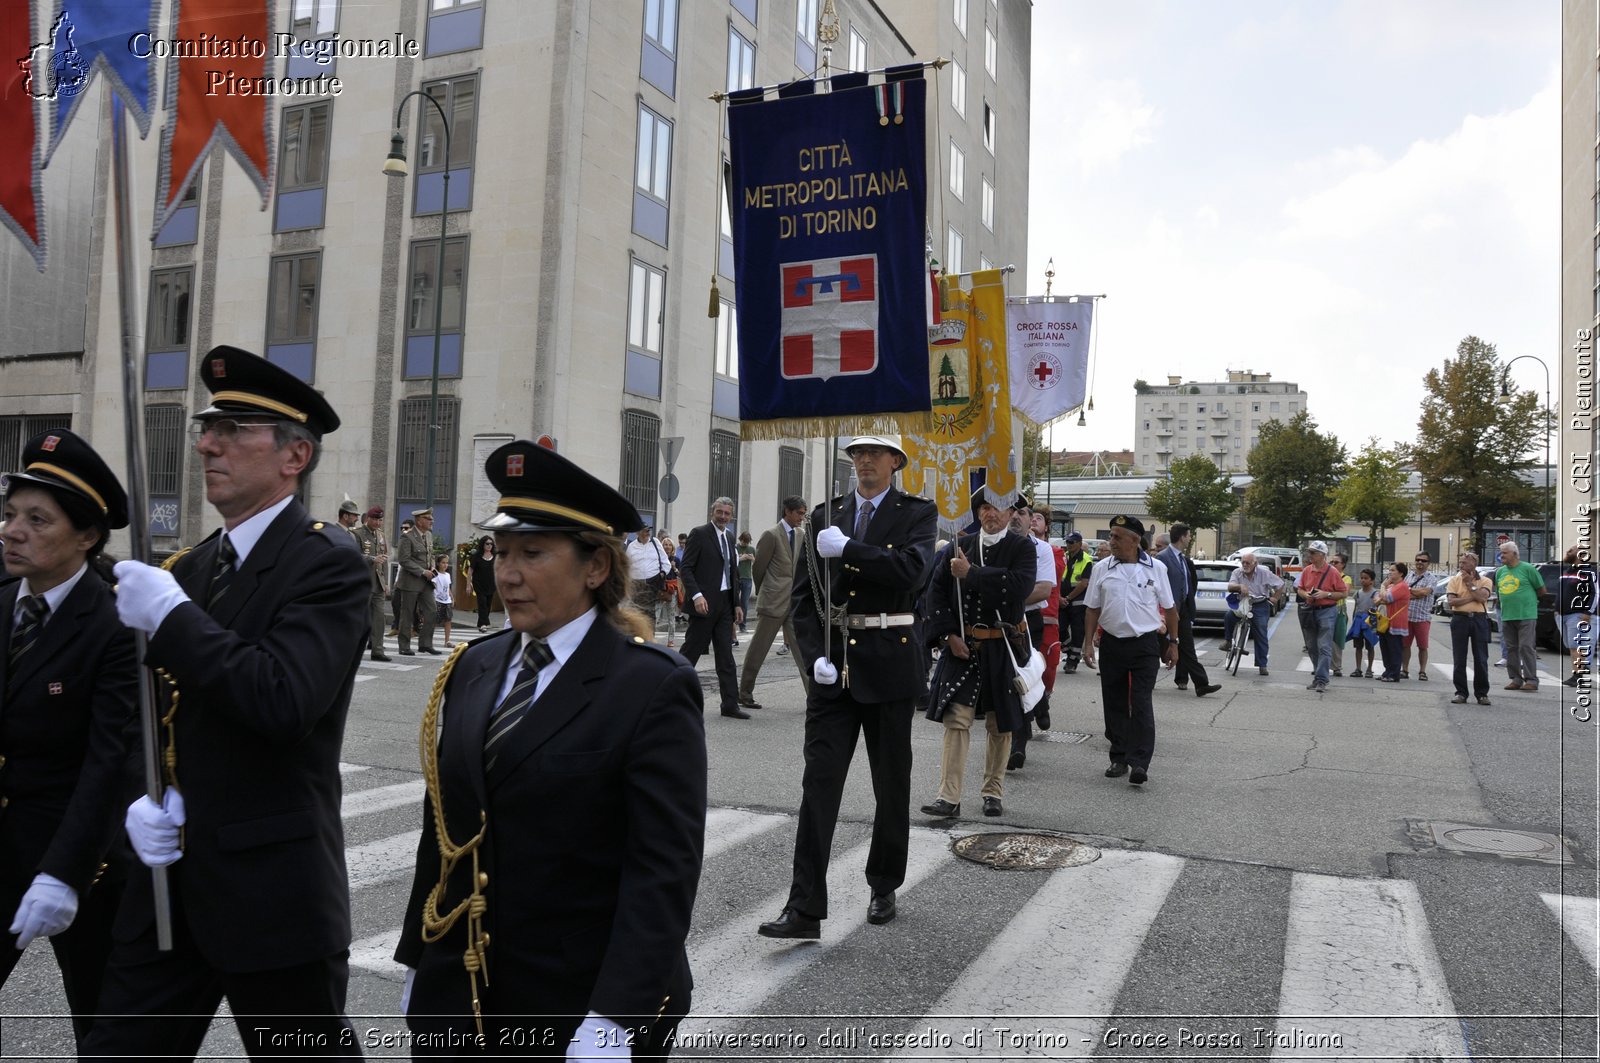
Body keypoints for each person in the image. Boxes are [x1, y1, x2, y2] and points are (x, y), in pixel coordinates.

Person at [89, 344, 369, 1058]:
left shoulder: (326, 562)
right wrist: (139, 800)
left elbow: (282, 698)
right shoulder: (189, 566)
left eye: (233, 427)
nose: (208, 442)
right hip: (166, 888)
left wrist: (175, 619)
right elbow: (140, 718)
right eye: (206, 426)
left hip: (271, 892)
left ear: (293, 456)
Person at [396, 440, 706, 1059]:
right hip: (462, 988)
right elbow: (447, 831)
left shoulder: (649, 685)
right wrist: (417, 956)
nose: (507, 573)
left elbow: (662, 867)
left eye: (532, 553)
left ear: (595, 568)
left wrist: (617, 1015)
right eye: (501, 551)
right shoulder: (474, 667)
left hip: (574, 996)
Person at [757, 435, 935, 939]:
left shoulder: (916, 513)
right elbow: (803, 597)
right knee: (818, 788)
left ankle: (883, 882)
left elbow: (912, 572)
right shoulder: (823, 514)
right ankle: (805, 907)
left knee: (890, 784)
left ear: (895, 462)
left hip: (889, 662)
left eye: (874, 454)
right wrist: (813, 656)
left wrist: (851, 549)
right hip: (834, 670)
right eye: (857, 454)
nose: (863, 462)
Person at [0, 429, 137, 1048]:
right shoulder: (4, 598)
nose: (12, 530)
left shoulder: (116, 623)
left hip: (85, 858)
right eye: (8, 515)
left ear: (86, 536)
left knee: (104, 1023)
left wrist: (64, 872)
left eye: (36, 519)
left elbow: (110, 761)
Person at [920, 490, 1035, 818]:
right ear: (978, 512)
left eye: (998, 507)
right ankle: (949, 797)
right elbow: (936, 593)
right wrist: (947, 634)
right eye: (985, 507)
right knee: (956, 719)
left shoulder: (1021, 548)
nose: (991, 513)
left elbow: (1019, 586)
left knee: (1001, 725)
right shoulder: (960, 546)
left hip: (1002, 646)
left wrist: (970, 574)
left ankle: (992, 792)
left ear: (1011, 511)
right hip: (963, 647)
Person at [1082, 515, 1178, 786]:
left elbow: (1171, 609)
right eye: (1110, 536)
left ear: (1135, 541)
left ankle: (1140, 762)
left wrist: (1173, 643)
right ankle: (1119, 756)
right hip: (1112, 642)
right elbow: (1092, 609)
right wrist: (1087, 642)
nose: (1110, 541)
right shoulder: (1102, 567)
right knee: (1114, 702)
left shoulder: (1155, 568)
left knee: (1141, 702)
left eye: (1116, 536)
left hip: (1144, 644)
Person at [737, 496, 811, 710]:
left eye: (803, 513)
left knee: (803, 651)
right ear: (787, 511)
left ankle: (814, 698)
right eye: (799, 513)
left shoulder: (800, 534)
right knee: (758, 650)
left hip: (793, 602)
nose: (802, 518)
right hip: (772, 602)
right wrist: (764, 592)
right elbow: (758, 568)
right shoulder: (771, 535)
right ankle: (745, 693)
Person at [679, 497, 747, 719]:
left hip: (725, 604)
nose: (723, 517)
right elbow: (686, 568)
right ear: (712, 512)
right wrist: (696, 595)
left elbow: (732, 573)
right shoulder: (699, 534)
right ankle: (669, 697)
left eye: (727, 513)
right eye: (720, 512)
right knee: (691, 652)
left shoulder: (729, 537)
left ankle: (730, 704)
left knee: (726, 656)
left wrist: (736, 603)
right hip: (704, 604)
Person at [1004, 502, 1057, 771]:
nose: (1015, 517)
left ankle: (1022, 734)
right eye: (1011, 512)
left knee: (1025, 677)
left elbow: (1044, 590)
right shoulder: (996, 545)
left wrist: (1005, 597)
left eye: (1021, 513)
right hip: (1001, 622)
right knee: (1010, 682)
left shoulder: (1042, 549)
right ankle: (1019, 737)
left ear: (1030, 520)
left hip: (1028, 621)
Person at [1156, 523, 1221, 698]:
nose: (1191, 538)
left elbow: (1188, 584)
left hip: (1182, 609)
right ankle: (1145, 677)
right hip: (1168, 610)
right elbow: (1160, 586)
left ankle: (1201, 684)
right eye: (1189, 535)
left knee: (1187, 648)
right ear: (1182, 537)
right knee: (1157, 645)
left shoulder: (1183, 559)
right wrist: (1166, 610)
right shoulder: (1163, 558)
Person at [1295, 541, 1346, 693]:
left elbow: (1343, 593)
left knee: (1324, 646)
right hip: (1310, 610)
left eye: (1313, 552)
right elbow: (1300, 589)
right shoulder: (1307, 571)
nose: (1309, 555)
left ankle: (1322, 679)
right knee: (1311, 646)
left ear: (1322, 555)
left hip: (1327, 610)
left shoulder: (1333, 572)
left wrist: (1326, 594)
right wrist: (1306, 595)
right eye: (1309, 552)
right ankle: (1318, 677)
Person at [1496, 539, 1546, 692]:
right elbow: (1500, 592)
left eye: (1504, 553)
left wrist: (1529, 602)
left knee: (1526, 647)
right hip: (1507, 615)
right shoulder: (1500, 572)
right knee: (1511, 648)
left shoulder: (1527, 568)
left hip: (1526, 614)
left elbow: (1541, 589)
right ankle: (1516, 679)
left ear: (1514, 554)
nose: (1501, 555)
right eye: (1501, 552)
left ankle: (1531, 680)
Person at [1226, 549, 1285, 675]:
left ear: (1255, 564)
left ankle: (1262, 664)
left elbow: (1280, 584)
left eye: (1248, 563)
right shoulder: (1237, 572)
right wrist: (1239, 586)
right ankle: (1227, 641)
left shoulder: (1264, 573)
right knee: (1229, 616)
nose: (1245, 565)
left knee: (1261, 633)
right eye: (1243, 563)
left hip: (1259, 604)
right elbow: (1230, 587)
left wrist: (1275, 598)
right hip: (1243, 603)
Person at [1446, 552, 1494, 704]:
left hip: (1479, 619)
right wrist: (1472, 596)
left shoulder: (1485, 580)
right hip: (1460, 618)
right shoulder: (1454, 580)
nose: (1461, 565)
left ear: (1474, 563)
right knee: (1459, 657)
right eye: (1460, 562)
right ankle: (1461, 692)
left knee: (1481, 658)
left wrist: (1470, 585)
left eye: (1465, 563)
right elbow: (1452, 602)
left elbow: (1482, 597)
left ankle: (1482, 693)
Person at [396, 508, 438, 655]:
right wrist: (422, 571)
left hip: (426, 581)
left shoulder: (429, 535)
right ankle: (404, 646)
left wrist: (432, 567)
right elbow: (404, 559)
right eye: (428, 519)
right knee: (407, 614)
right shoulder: (407, 537)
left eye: (431, 519)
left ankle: (425, 644)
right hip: (410, 581)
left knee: (432, 611)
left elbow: (430, 554)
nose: (431, 521)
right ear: (419, 521)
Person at [351, 506, 391, 661]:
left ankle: (377, 650)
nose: (377, 522)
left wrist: (386, 582)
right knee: (359, 617)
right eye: (375, 519)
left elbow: (385, 560)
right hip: (363, 581)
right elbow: (353, 555)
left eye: (380, 520)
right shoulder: (357, 534)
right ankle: (353, 649)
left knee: (379, 618)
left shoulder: (381, 535)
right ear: (367, 518)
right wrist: (372, 559)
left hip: (379, 582)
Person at [1556, 546, 1595, 687]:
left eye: (1570, 550)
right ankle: (1580, 673)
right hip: (1562, 615)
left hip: (1576, 614)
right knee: (1570, 646)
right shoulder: (1567, 571)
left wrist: (1587, 612)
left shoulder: (1588, 572)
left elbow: (1595, 593)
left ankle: (1578, 676)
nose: (1567, 552)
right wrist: (1556, 609)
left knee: (1575, 646)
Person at [1401, 551, 1440, 680]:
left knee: (1422, 646)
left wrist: (1409, 591)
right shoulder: (1408, 576)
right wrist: (1413, 593)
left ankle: (1422, 671)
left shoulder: (1432, 578)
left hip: (1422, 617)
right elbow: (1402, 593)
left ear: (1428, 563)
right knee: (1405, 645)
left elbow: (1425, 592)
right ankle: (1404, 669)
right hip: (1407, 616)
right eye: (1418, 559)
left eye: (1423, 560)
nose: (1420, 562)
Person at [1060, 531, 1093, 673]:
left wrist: (1068, 598)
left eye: (1071, 542)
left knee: (1077, 632)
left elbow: (1084, 583)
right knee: (1059, 628)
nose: (1068, 545)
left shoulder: (1086, 560)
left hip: (1077, 602)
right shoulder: (1064, 557)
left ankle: (1072, 662)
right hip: (1062, 600)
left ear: (1079, 544)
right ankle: (1069, 651)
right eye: (1067, 542)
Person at [1374, 562, 1412, 682]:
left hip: (1396, 622)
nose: (1390, 572)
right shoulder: (1391, 586)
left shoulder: (1402, 586)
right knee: (1385, 648)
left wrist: (1383, 587)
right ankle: (1387, 671)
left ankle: (1394, 674)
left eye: (1393, 570)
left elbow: (1386, 598)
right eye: (1389, 570)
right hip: (1385, 621)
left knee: (1394, 648)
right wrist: (1383, 594)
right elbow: (1376, 599)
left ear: (1401, 573)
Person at [625, 524, 669, 622]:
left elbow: (666, 563)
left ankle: (649, 636)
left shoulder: (655, 543)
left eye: (648, 530)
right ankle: (638, 635)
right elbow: (626, 566)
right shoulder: (632, 546)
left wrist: (662, 574)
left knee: (650, 613)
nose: (647, 533)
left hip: (652, 582)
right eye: (644, 531)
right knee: (636, 611)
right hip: (636, 584)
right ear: (637, 533)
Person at [1349, 568, 1379, 678]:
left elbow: (1377, 606)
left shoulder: (1375, 593)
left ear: (1372, 581)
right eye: (1361, 578)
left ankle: (1370, 669)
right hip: (1358, 620)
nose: (1363, 580)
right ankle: (1358, 668)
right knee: (1358, 646)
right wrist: (1353, 620)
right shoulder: (1358, 593)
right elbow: (1356, 607)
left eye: (1366, 578)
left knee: (1370, 645)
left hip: (1370, 621)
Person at [1329, 554, 1354, 677]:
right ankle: (1320, 665)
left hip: (1339, 610)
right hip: (1325, 608)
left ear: (1343, 565)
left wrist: (1329, 593)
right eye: (1332, 562)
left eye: (1336, 562)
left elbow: (1345, 592)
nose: (1333, 564)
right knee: (1322, 638)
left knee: (1337, 639)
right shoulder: (1326, 575)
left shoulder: (1346, 578)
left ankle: (1336, 667)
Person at [389, 518, 414, 637]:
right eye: (402, 528)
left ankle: (414, 629)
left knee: (411, 606)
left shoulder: (414, 541)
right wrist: (396, 579)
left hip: (412, 579)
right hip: (401, 578)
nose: (404, 530)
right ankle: (396, 626)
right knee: (395, 602)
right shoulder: (402, 541)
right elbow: (400, 563)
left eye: (406, 528)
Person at [467, 534, 497, 631]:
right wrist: (468, 584)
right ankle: (484, 624)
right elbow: (470, 571)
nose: (489, 546)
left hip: (491, 584)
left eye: (491, 544)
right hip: (479, 583)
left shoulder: (495, 556)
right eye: (487, 544)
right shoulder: (476, 556)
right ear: (482, 544)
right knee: (482, 603)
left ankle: (481, 622)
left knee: (488, 604)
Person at [736, 530, 756, 638]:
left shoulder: (751, 549)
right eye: (744, 542)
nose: (746, 544)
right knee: (735, 602)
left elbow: (757, 562)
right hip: (737, 578)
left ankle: (743, 625)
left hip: (748, 578)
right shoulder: (735, 548)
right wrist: (741, 558)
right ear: (741, 540)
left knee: (744, 602)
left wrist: (752, 558)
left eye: (747, 542)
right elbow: (731, 561)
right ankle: (734, 623)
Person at [432, 554, 455, 646]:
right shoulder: (435, 574)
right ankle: (429, 639)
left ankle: (447, 640)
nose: (445, 565)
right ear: (438, 563)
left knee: (448, 620)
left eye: (446, 563)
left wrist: (452, 597)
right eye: (443, 563)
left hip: (447, 600)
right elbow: (432, 587)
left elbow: (448, 587)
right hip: (437, 600)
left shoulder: (447, 575)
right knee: (434, 621)